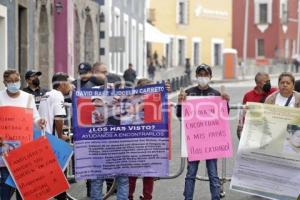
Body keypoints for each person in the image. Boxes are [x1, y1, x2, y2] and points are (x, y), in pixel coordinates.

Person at [176, 64, 230, 200]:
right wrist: (180, 102)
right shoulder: (188, 93)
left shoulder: (217, 94)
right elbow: (180, 115)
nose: (203, 77)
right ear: (196, 76)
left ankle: (215, 197)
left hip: (211, 141)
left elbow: (224, 117)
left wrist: (225, 102)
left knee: (213, 174)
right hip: (194, 141)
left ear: (210, 77)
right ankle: (188, 198)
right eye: (200, 74)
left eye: (206, 75)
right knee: (191, 174)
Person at [0, 69, 46, 200]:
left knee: (24, 184)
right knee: (5, 184)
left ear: (20, 80)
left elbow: (35, 118)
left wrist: (40, 122)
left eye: (16, 80)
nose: (14, 83)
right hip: (4, 149)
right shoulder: (0, 97)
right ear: (4, 83)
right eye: (10, 81)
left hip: (24, 148)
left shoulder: (28, 97)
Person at [38, 72, 74, 200]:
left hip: (43, 137)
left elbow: (49, 116)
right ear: (62, 83)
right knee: (59, 173)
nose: (70, 86)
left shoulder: (47, 94)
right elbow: (58, 118)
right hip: (52, 140)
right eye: (69, 83)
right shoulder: (58, 95)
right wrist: (61, 136)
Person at [128, 78, 155, 200]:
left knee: (149, 172)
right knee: (132, 172)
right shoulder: (133, 100)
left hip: (150, 140)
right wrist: (143, 103)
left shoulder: (155, 100)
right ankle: (129, 196)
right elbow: (129, 115)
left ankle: (147, 196)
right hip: (135, 140)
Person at [236, 72, 277, 139]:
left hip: (271, 129)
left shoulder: (274, 92)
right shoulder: (248, 96)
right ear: (258, 83)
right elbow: (243, 113)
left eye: (269, 81)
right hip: (254, 130)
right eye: (266, 82)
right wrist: (240, 128)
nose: (268, 83)